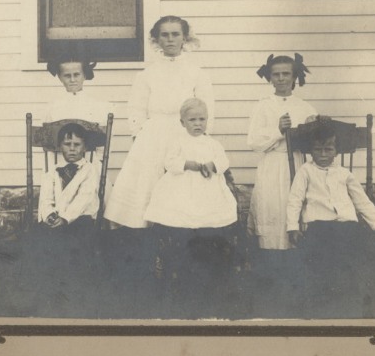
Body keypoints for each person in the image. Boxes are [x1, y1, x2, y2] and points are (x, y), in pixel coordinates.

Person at [104, 16, 215, 229]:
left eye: (176, 34)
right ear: (157, 39)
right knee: (147, 182)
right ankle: (149, 232)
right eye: (165, 35)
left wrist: (201, 138)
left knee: (183, 183)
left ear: (185, 38)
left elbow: (206, 107)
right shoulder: (147, 74)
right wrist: (139, 134)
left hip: (186, 133)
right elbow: (136, 107)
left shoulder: (197, 73)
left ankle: (180, 230)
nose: (170, 39)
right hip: (153, 134)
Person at [286, 122, 375, 313]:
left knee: (361, 257)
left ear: (336, 150)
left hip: (348, 226)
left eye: (328, 149)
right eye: (318, 150)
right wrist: (292, 227)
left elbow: (362, 201)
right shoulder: (305, 172)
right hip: (320, 227)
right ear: (311, 151)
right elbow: (295, 200)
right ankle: (324, 300)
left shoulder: (344, 174)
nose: (323, 155)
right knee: (321, 261)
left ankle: (358, 299)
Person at [247, 53, 318, 250]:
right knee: (272, 207)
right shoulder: (263, 106)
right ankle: (271, 254)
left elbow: (315, 144)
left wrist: (313, 126)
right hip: (272, 164)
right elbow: (253, 141)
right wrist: (277, 131)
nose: (281, 79)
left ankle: (296, 252)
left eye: (286, 74)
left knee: (294, 204)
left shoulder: (304, 107)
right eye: (276, 74)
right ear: (269, 77)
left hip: (297, 163)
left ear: (295, 77)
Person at [144, 98, 237, 229]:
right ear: (182, 122)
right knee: (182, 212)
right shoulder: (178, 142)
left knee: (209, 213)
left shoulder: (212, 144)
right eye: (192, 120)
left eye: (202, 119)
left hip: (208, 187)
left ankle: (206, 231)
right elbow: (169, 162)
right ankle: (182, 230)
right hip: (182, 186)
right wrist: (186, 164)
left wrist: (213, 165)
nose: (197, 124)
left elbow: (223, 161)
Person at [37, 123, 100, 228]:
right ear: (60, 147)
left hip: (81, 218)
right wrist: (50, 215)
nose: (72, 149)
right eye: (67, 144)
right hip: (56, 218)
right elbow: (46, 198)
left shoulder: (90, 170)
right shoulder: (53, 171)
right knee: (38, 236)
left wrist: (65, 218)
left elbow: (83, 199)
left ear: (85, 147)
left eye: (77, 144)